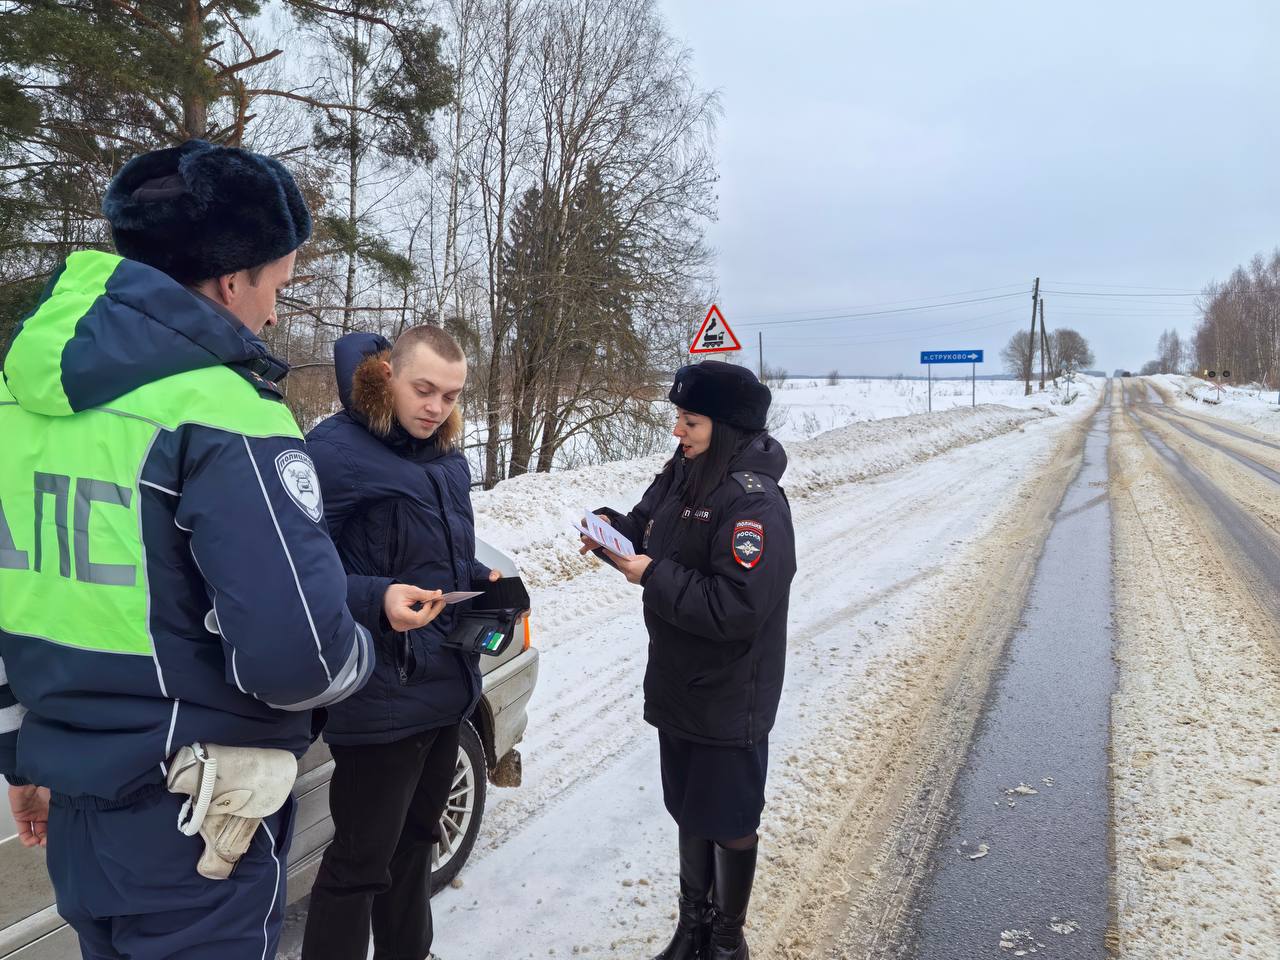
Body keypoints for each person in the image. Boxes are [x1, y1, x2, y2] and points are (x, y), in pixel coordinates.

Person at [0, 139, 442, 960]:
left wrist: (19, 757)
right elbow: (298, 658)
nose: (275, 312)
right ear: (233, 280)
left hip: (78, 814)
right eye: (277, 284)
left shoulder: (15, 404)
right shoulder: (225, 415)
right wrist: (361, 663)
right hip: (196, 822)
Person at [583, 361, 796, 960]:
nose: (678, 430)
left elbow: (736, 608)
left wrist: (651, 573)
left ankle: (727, 944)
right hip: (678, 679)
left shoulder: (756, 504)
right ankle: (692, 930)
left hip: (731, 692)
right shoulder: (684, 471)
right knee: (689, 807)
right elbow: (644, 528)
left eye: (691, 419)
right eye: (677, 416)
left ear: (726, 426)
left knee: (727, 817)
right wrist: (610, 533)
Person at [300, 326, 499, 960]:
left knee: (418, 845)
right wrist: (374, 599)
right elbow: (295, 567)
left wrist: (477, 580)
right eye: (424, 389)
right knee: (360, 864)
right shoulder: (332, 452)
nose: (436, 407)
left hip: (445, 686)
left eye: (451, 394)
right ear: (388, 374)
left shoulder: (447, 457)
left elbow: (432, 559)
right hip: (379, 694)